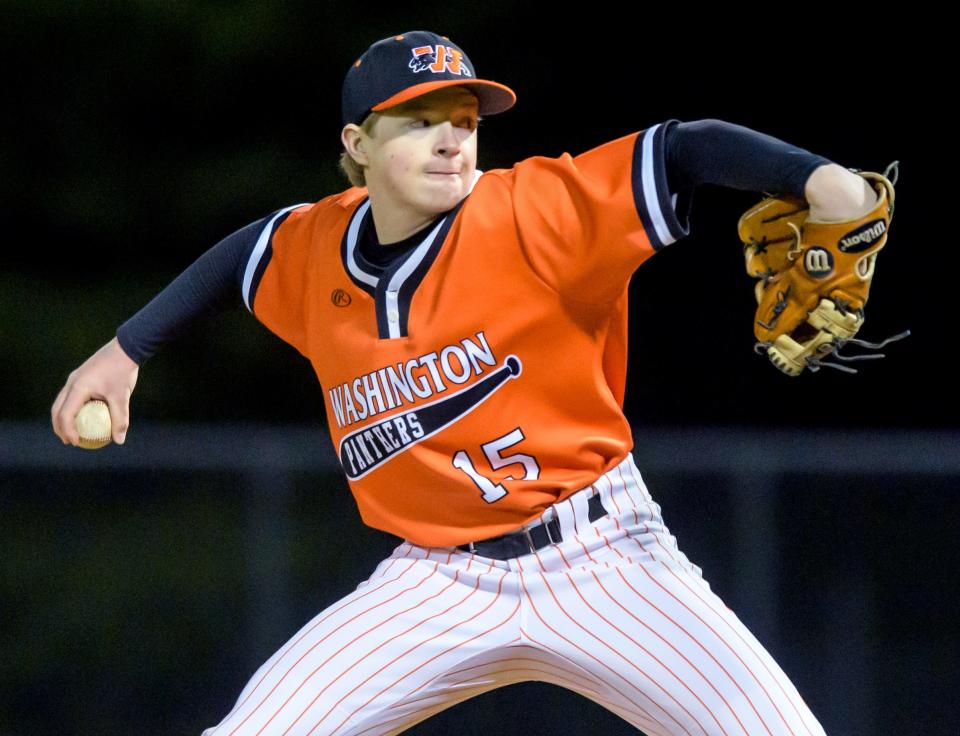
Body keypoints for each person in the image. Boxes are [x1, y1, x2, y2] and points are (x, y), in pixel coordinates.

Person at [51, 29, 879, 735]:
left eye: (463, 120)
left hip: (604, 558)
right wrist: (125, 351)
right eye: (419, 122)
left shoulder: (533, 212)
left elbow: (683, 146)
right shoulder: (313, 249)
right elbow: (243, 257)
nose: (452, 140)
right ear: (356, 145)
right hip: (438, 580)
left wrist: (821, 181)